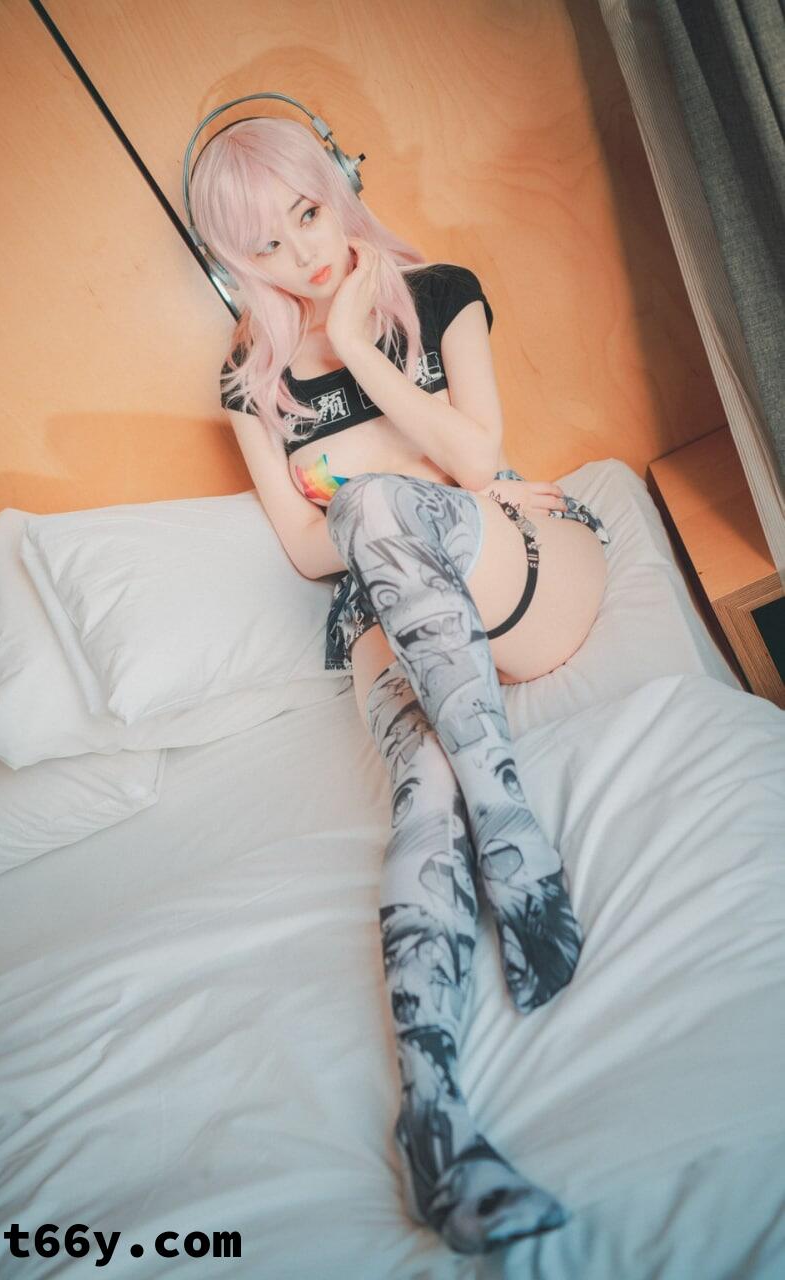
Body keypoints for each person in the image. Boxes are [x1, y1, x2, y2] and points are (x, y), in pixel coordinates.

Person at [189, 117, 611, 1256]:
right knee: (422, 781)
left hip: (517, 561)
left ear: (338, 190)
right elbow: (303, 552)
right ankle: (435, 1122)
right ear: (232, 261)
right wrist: (392, 466)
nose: (299, 252)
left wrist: (355, 373)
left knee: (373, 506)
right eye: (264, 245)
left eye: (307, 214)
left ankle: (507, 824)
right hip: (387, 608)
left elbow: (477, 461)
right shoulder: (248, 378)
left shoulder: (439, 294)